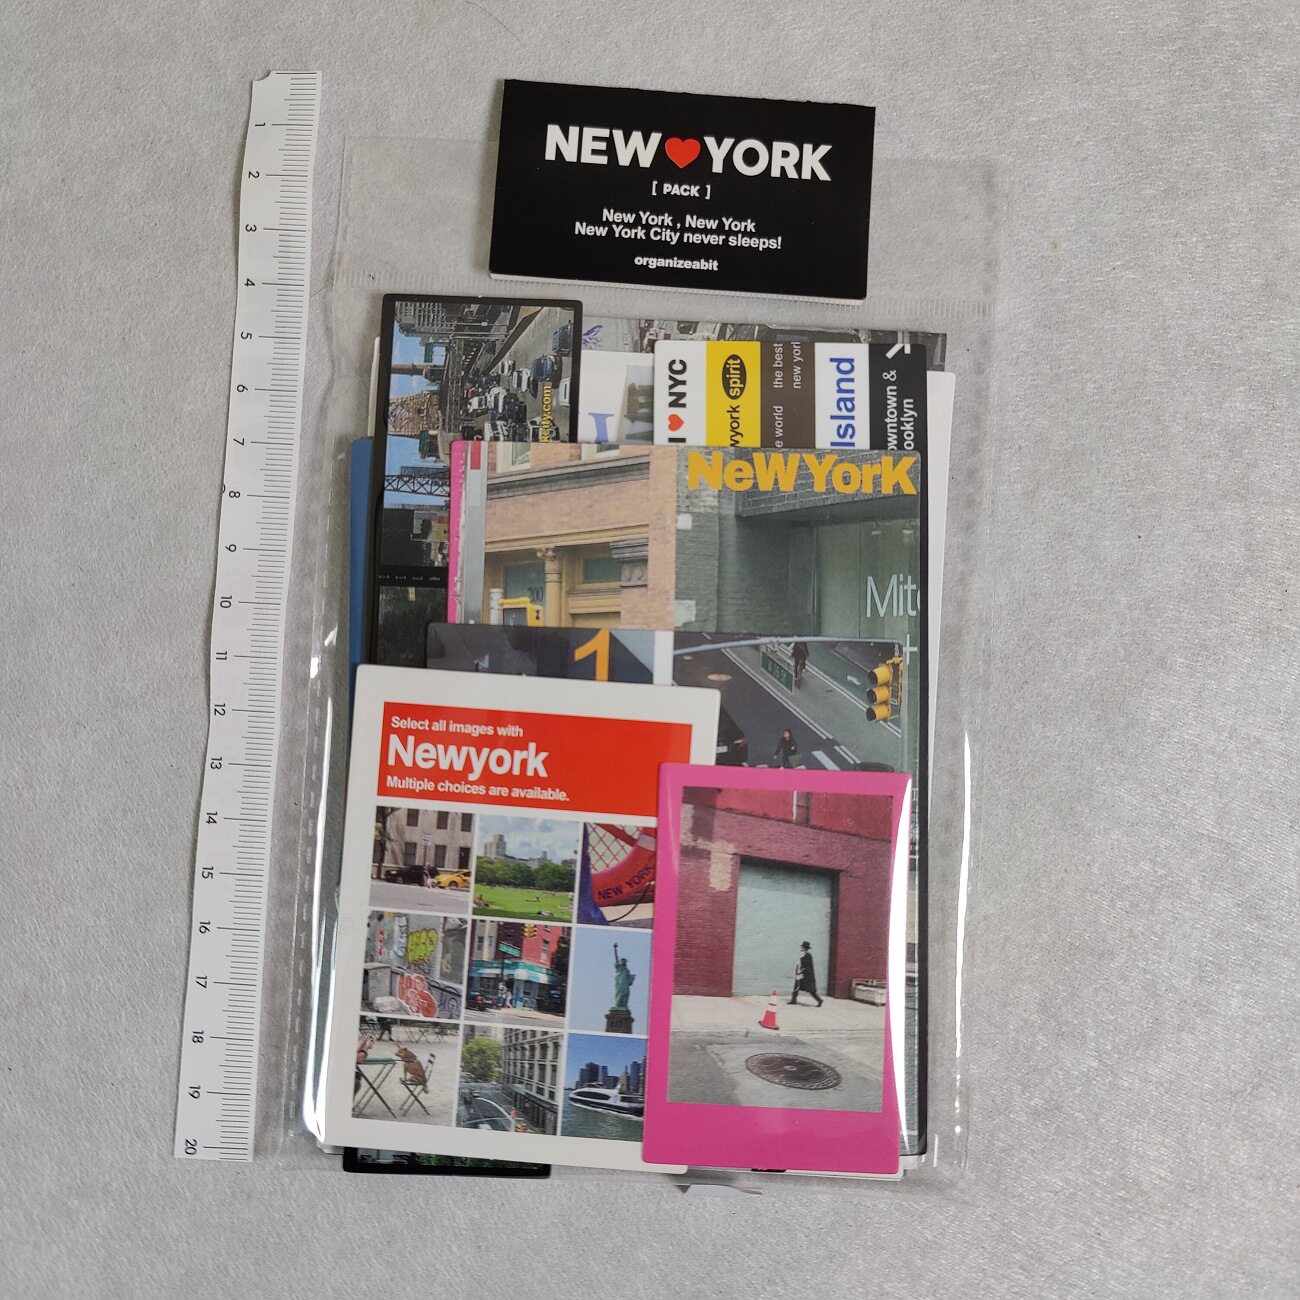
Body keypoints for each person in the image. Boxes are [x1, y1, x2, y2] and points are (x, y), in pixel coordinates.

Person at [789, 941, 823, 1006]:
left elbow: (807, 964)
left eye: (803, 947)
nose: (802, 948)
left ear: (806, 948)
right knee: (796, 987)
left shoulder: (808, 955)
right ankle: (793, 1000)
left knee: (811, 990)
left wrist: (802, 966)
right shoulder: (802, 954)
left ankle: (819, 1000)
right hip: (800, 974)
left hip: (806, 975)